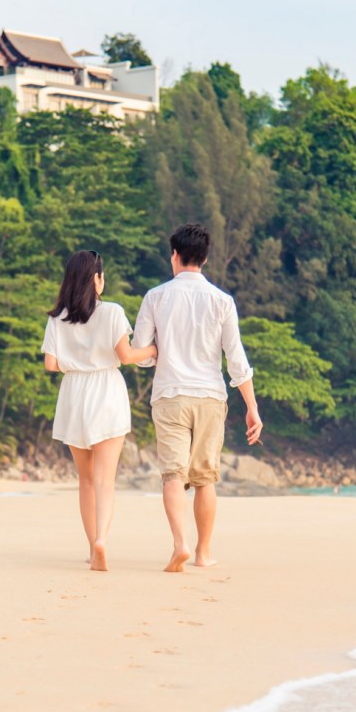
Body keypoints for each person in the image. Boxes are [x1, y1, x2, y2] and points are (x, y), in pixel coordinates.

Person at [133, 222, 262, 573]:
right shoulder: (222, 301)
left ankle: (180, 544)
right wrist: (252, 407)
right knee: (205, 478)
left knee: (173, 475)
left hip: (170, 396)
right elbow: (236, 360)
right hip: (209, 398)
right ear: (204, 259)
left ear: (174, 255)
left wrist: (159, 351)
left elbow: (141, 354)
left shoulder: (155, 297)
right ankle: (204, 553)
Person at [42, 250, 157, 572]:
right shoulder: (112, 312)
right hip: (106, 391)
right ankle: (102, 540)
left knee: (87, 480)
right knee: (106, 480)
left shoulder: (57, 317)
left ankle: (92, 548)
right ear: (98, 279)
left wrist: (76, 363)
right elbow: (126, 356)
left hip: (73, 394)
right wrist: (153, 349)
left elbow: (50, 364)